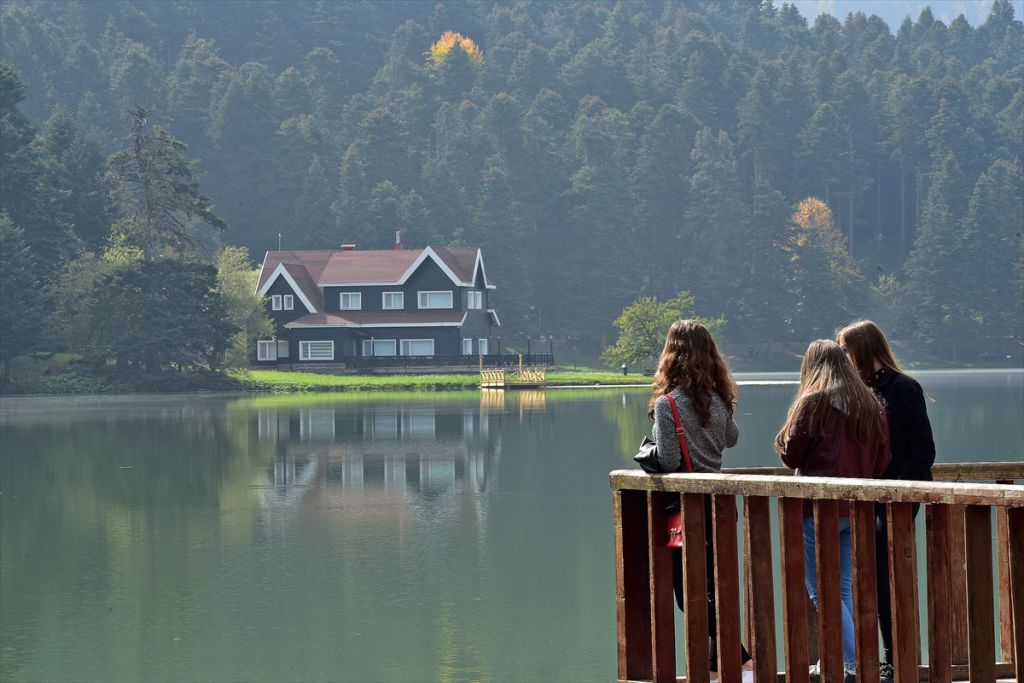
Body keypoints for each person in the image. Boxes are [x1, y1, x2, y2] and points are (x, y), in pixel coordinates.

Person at [775, 340, 890, 683]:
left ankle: (854, 663)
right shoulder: (871, 404)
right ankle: (842, 660)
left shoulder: (814, 402)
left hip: (819, 509)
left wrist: (783, 439)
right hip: (857, 508)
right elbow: (883, 460)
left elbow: (792, 456)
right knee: (840, 590)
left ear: (811, 367)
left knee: (819, 590)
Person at [647, 319, 753, 681]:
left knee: (686, 591)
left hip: (683, 514)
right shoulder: (719, 399)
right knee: (716, 586)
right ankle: (715, 670)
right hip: (720, 508)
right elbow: (732, 439)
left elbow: (671, 462)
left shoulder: (668, 404)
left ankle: (740, 658)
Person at [836, 320, 935, 683]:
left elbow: (924, 450)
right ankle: (871, 657)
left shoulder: (904, 388)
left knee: (886, 576)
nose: (843, 356)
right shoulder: (858, 392)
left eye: (846, 349)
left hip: (899, 495)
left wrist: (892, 489)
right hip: (867, 497)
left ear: (863, 348)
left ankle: (894, 657)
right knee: (868, 577)